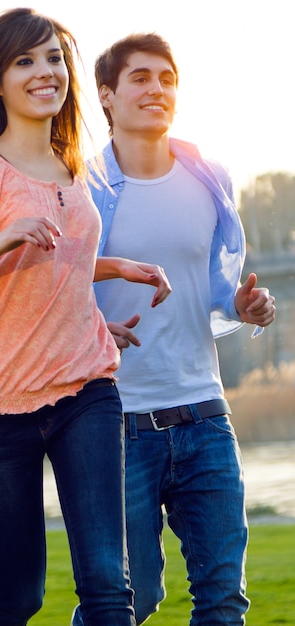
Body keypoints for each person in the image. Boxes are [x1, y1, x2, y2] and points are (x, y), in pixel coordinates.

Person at [0, 12, 173, 626]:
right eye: (25, 61)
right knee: (20, 594)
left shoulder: (74, 165)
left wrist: (113, 268)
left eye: (53, 58)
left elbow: (52, 262)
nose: (45, 72)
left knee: (106, 585)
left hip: (85, 392)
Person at [72, 33, 276, 626]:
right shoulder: (80, 189)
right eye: (140, 78)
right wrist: (90, 325)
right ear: (107, 96)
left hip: (206, 418)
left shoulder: (209, 177)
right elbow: (50, 290)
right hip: (115, 426)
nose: (156, 89)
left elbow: (213, 288)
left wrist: (244, 306)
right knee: (120, 606)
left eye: (166, 78)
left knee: (223, 602)